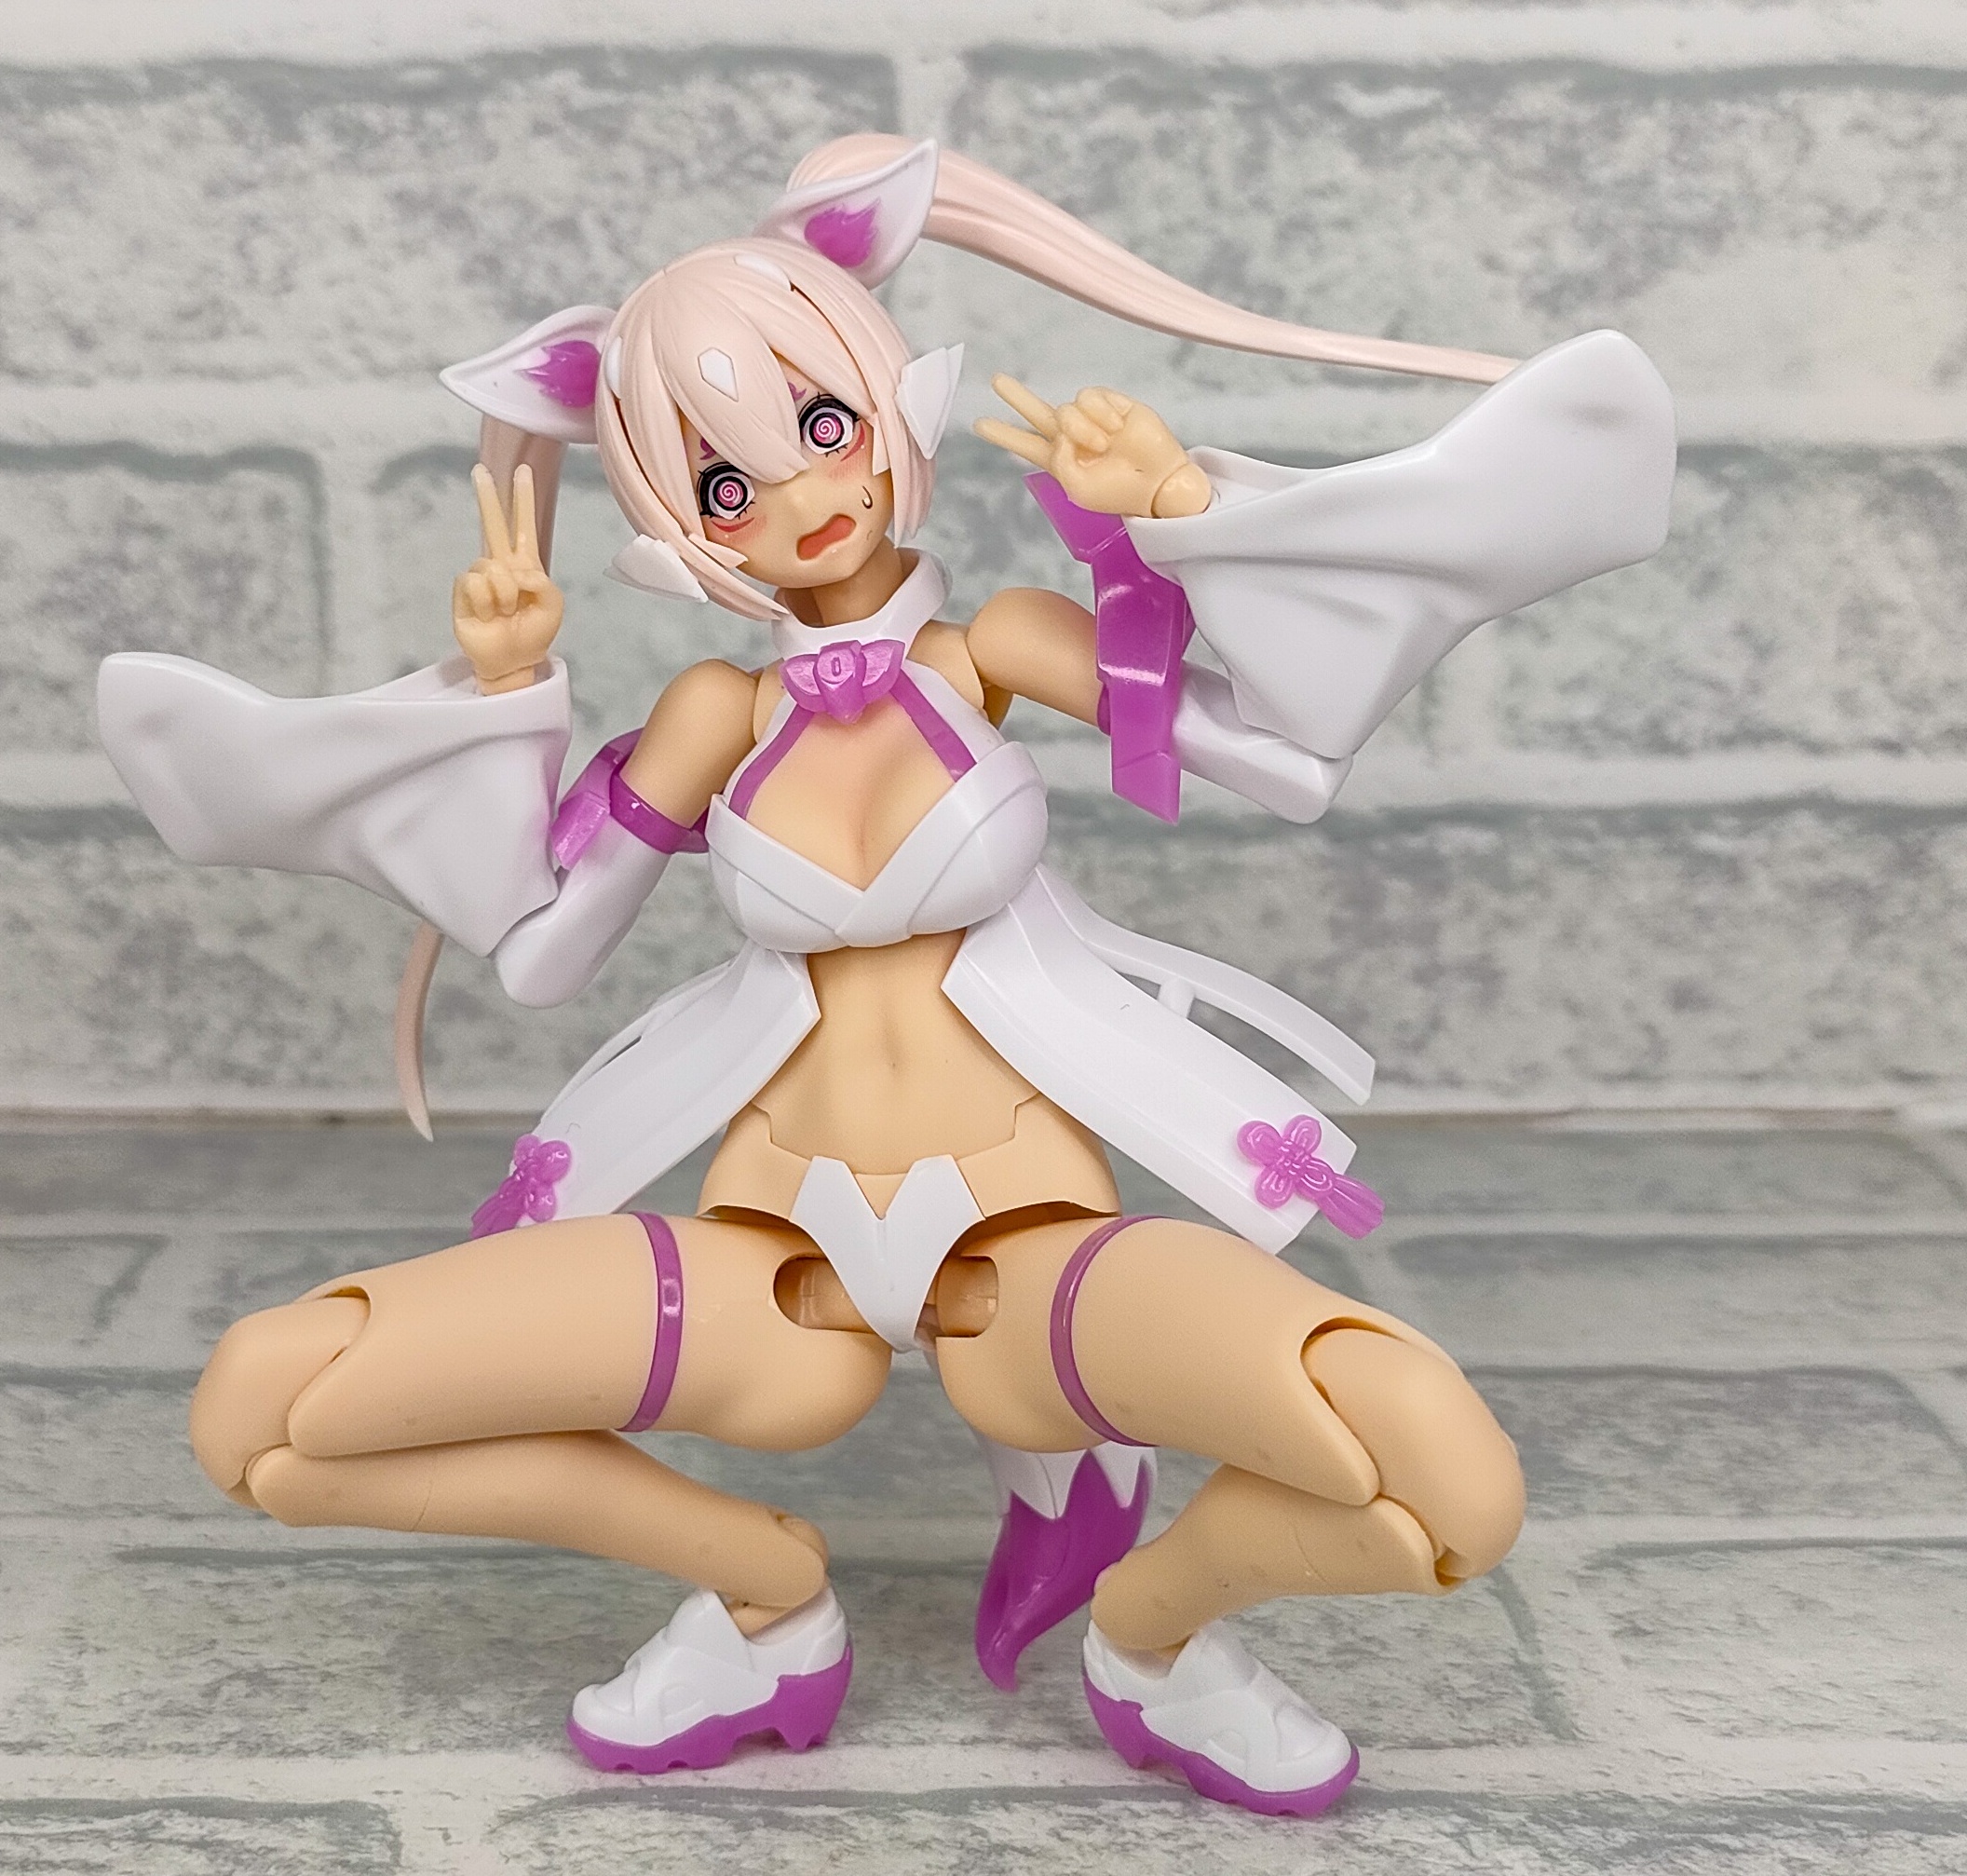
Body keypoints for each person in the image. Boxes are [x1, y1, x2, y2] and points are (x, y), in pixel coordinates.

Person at [97, 135, 1675, 1815]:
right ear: (676, 523)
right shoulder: (715, 714)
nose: (798, 500)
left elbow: (1285, 762)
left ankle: (1152, 1637)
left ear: (884, 394)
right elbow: (544, 952)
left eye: (821, 424)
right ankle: (761, 1598)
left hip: (1032, 1263)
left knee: (1437, 1470)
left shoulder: (988, 650)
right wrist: (506, 697)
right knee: (270, 1408)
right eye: (726, 487)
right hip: (772, 1271)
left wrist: (1179, 511)